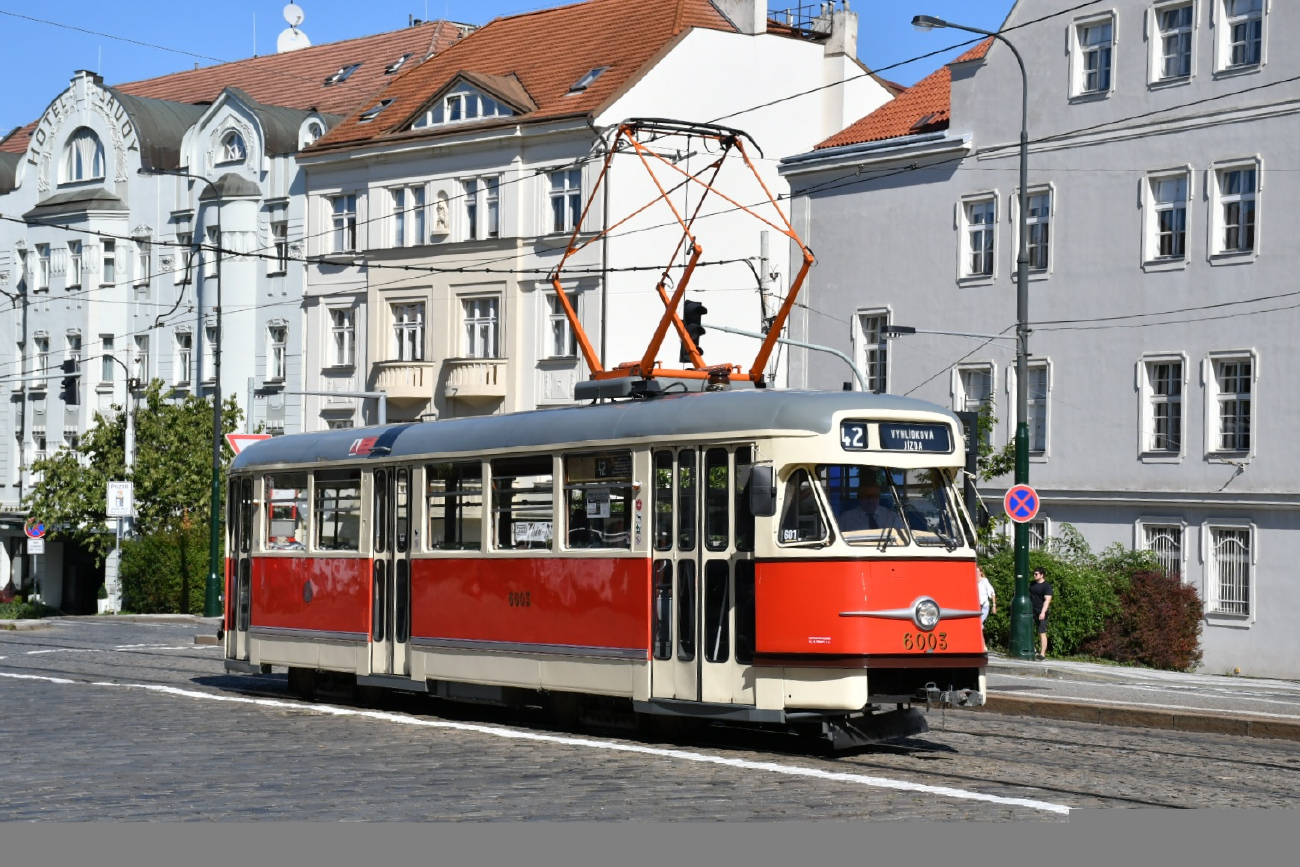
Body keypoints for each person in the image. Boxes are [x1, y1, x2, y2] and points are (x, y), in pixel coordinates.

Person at [836, 477, 904, 534]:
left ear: (879, 498)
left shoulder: (891, 517)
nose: (870, 500)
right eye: (865, 496)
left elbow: (902, 538)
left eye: (874, 496)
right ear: (859, 498)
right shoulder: (846, 519)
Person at [1030, 567, 1053, 659]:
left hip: (1041, 612)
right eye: (1034, 574)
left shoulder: (1046, 586)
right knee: (1028, 630)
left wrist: (1043, 612)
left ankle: (1042, 654)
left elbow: (1047, 600)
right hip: (1031, 611)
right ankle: (1033, 649)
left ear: (1042, 575)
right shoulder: (1032, 584)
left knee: (1041, 632)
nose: (1034, 575)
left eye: (1036, 574)